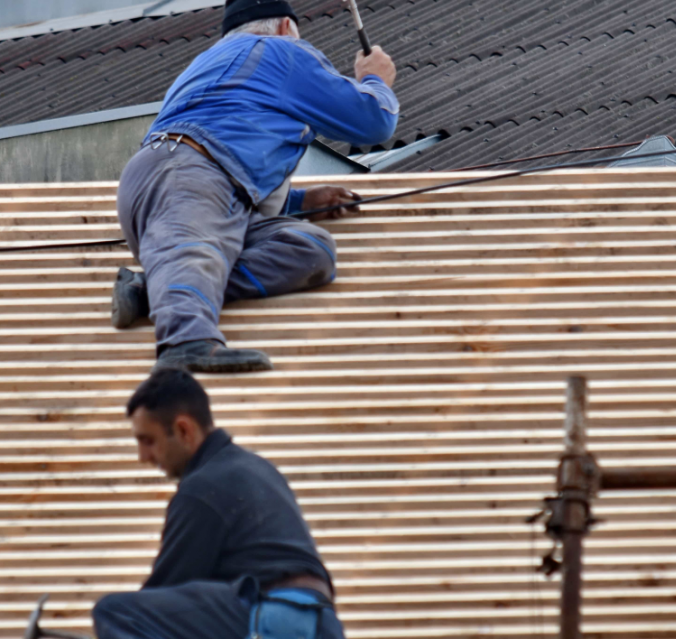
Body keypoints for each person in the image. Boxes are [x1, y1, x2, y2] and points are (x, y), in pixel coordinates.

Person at [111, 0, 399, 373]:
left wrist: (297, 202)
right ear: (285, 27)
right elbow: (373, 121)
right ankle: (186, 340)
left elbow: (236, 160)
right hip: (192, 177)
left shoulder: (204, 63)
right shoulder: (282, 51)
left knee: (311, 250)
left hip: (168, 187)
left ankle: (153, 288)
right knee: (194, 250)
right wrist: (374, 79)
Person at [92, 369, 345, 639]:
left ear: (183, 430)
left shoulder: (202, 489)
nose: (143, 457)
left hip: (271, 619)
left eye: (148, 440)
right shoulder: (259, 468)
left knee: (118, 613)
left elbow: (162, 595)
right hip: (319, 623)